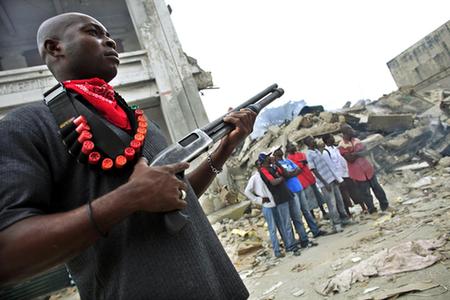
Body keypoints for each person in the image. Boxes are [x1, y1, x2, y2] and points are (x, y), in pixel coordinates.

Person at [0, 13, 257, 299]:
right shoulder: (27, 125)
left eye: (109, 34)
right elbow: (8, 252)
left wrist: (224, 150)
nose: (109, 40)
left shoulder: (139, 122)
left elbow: (176, 198)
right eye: (94, 33)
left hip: (219, 288)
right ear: (54, 48)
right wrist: (129, 197)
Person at [272, 146, 325, 245]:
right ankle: (303, 238)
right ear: (274, 154)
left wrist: (290, 173)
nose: (280, 151)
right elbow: (287, 175)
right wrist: (292, 173)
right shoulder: (277, 165)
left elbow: (299, 170)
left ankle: (315, 231)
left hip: (299, 187)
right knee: (297, 215)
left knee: (306, 211)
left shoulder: (287, 161)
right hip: (291, 192)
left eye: (280, 149)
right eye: (277, 150)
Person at [339, 124, 390, 214]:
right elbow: (350, 159)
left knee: (377, 189)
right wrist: (358, 153)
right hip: (357, 173)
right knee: (365, 193)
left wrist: (354, 154)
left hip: (367, 169)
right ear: (345, 133)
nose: (352, 131)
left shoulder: (356, 140)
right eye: (350, 129)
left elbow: (365, 152)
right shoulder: (342, 145)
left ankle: (385, 206)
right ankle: (372, 210)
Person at [258, 152, 301, 256]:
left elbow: (285, 173)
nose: (270, 157)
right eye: (268, 157)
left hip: (288, 194)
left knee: (297, 217)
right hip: (280, 198)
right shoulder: (263, 170)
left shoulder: (273, 167)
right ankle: (291, 246)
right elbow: (273, 182)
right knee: (287, 223)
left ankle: (303, 240)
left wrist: (277, 164)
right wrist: (282, 178)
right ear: (265, 160)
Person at [304, 136, 350, 233]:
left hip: (332, 178)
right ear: (307, 143)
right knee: (332, 204)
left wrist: (336, 178)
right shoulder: (309, 154)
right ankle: (336, 224)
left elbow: (328, 165)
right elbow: (313, 170)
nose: (314, 141)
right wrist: (325, 182)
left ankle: (344, 218)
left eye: (313, 139)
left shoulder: (316, 151)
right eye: (311, 140)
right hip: (325, 182)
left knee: (339, 200)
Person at [245, 160, 284, 258]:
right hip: (267, 206)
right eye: (258, 165)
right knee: (272, 229)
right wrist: (259, 199)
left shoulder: (267, 174)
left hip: (275, 203)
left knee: (281, 225)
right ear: (256, 167)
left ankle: (288, 245)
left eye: (261, 165)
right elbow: (247, 191)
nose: (261, 166)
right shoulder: (255, 178)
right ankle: (277, 251)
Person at [322, 134, 368, 215]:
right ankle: (348, 213)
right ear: (327, 140)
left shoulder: (337, 148)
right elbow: (331, 167)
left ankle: (363, 208)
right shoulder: (326, 153)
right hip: (338, 176)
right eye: (331, 137)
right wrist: (339, 179)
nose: (333, 138)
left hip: (346, 173)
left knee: (355, 191)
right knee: (344, 196)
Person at [285, 143, 329, 220]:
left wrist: (301, 163)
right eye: (291, 146)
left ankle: (324, 212)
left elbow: (305, 161)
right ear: (288, 149)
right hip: (302, 181)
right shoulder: (289, 159)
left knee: (317, 195)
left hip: (309, 177)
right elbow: (297, 166)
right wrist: (302, 163)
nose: (294, 147)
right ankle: (313, 216)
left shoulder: (300, 154)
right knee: (309, 199)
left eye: (293, 145)